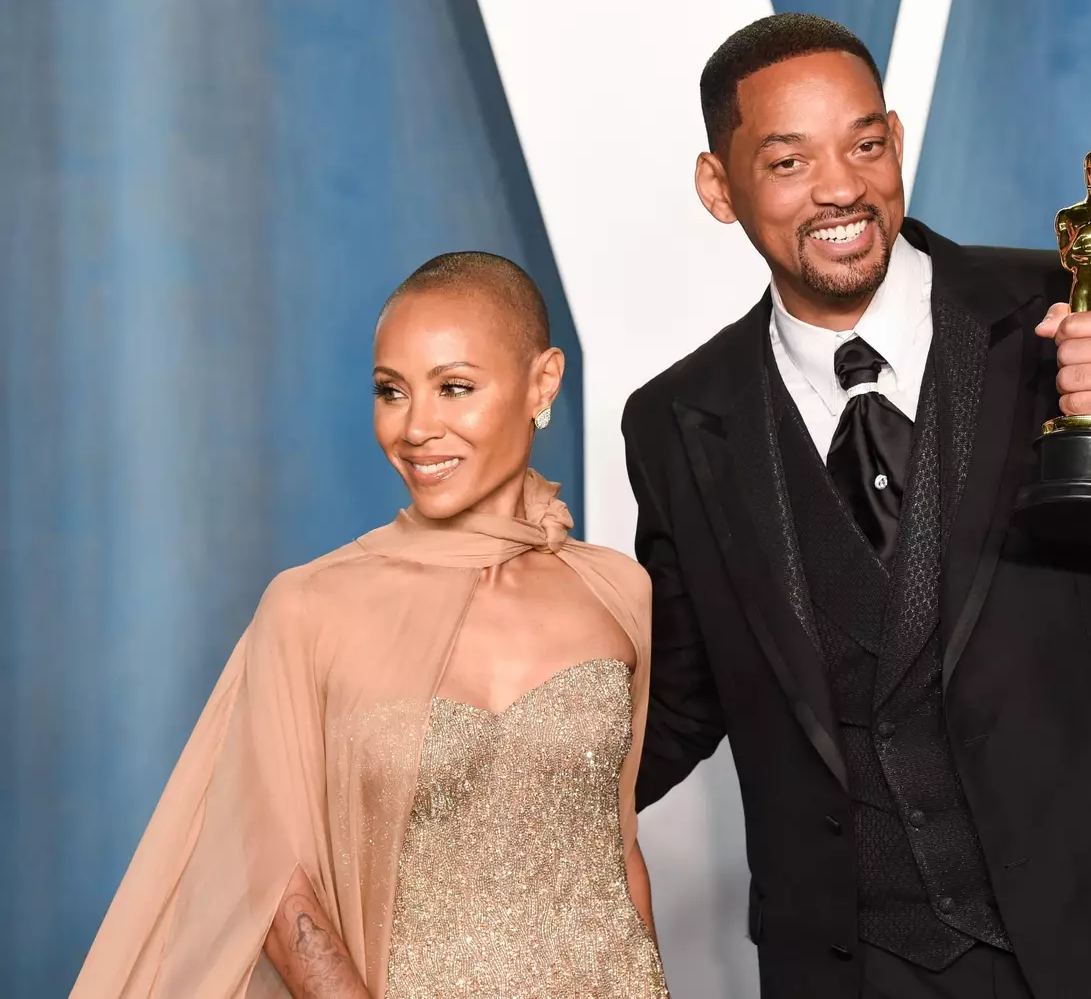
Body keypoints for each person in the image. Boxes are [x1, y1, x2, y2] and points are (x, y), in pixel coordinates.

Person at [623, 13, 1091, 999]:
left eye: (865, 144)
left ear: (896, 141)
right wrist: (482, 803)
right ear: (717, 186)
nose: (841, 188)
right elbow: (682, 699)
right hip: (864, 970)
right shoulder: (676, 421)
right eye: (789, 161)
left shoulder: (1068, 308)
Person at [72, 253, 668, 999]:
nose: (417, 427)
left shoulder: (616, 589)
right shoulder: (309, 606)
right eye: (392, 392)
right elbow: (273, 876)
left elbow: (620, 847)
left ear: (541, 383)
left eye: (455, 387)